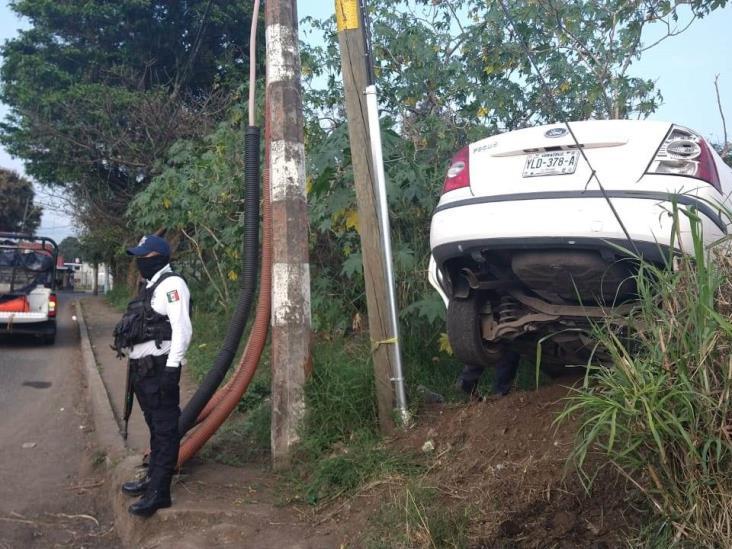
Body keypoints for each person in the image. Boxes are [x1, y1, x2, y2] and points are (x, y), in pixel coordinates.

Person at [114, 235, 192, 517]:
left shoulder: (173, 285)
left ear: (158, 258)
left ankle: (160, 492)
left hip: (160, 370)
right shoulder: (150, 286)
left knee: (165, 428)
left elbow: (183, 329)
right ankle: (152, 480)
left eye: (143, 257)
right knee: (155, 427)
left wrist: (173, 368)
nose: (139, 262)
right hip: (143, 371)